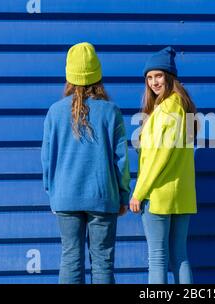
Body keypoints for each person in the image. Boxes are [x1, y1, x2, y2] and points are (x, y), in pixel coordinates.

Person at [41, 42, 130, 284]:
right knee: (102, 263)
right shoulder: (111, 111)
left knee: (70, 258)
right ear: (97, 75)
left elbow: (47, 159)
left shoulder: (55, 112)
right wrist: (123, 195)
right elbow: (121, 160)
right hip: (102, 197)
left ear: (69, 75)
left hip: (65, 196)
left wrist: (52, 192)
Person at [129, 46, 198, 284]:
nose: (153, 82)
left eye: (158, 76)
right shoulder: (183, 107)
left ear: (169, 76)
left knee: (157, 258)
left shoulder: (167, 109)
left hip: (159, 195)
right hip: (182, 196)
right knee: (180, 257)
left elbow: (158, 157)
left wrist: (138, 192)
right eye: (149, 77)